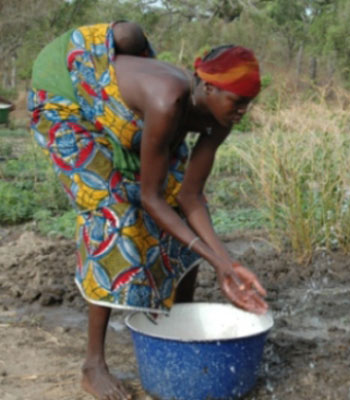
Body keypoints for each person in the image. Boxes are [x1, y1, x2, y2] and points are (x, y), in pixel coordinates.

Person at [28, 21, 268, 400]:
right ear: (207, 87)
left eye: (247, 104)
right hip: (69, 94)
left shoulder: (220, 119)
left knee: (175, 203)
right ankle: (93, 364)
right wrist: (217, 260)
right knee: (114, 212)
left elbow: (190, 197)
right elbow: (149, 200)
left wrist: (227, 263)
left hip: (129, 116)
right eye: (237, 102)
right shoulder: (168, 100)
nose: (242, 112)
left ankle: (176, 326)